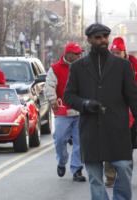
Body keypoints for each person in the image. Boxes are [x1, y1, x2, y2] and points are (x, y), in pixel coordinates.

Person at [64, 23, 137, 200]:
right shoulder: (78, 67)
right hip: (91, 131)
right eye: (98, 37)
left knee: (124, 169)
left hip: (117, 130)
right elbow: (68, 96)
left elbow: (134, 99)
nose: (103, 40)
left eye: (105, 36)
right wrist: (85, 103)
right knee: (96, 179)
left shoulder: (122, 66)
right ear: (89, 40)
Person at [103, 36, 137, 187]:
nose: (115, 55)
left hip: (130, 112)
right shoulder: (104, 65)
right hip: (109, 111)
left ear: (124, 52)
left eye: (118, 52)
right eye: (113, 52)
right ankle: (110, 176)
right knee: (108, 145)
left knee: (127, 147)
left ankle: (124, 176)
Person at [44, 42, 86, 182]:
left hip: (80, 111)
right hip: (63, 111)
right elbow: (49, 85)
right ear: (68, 54)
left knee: (80, 141)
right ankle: (62, 161)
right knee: (60, 139)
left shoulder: (84, 67)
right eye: (76, 53)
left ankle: (77, 169)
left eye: (80, 53)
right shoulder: (55, 69)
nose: (79, 55)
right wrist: (52, 99)